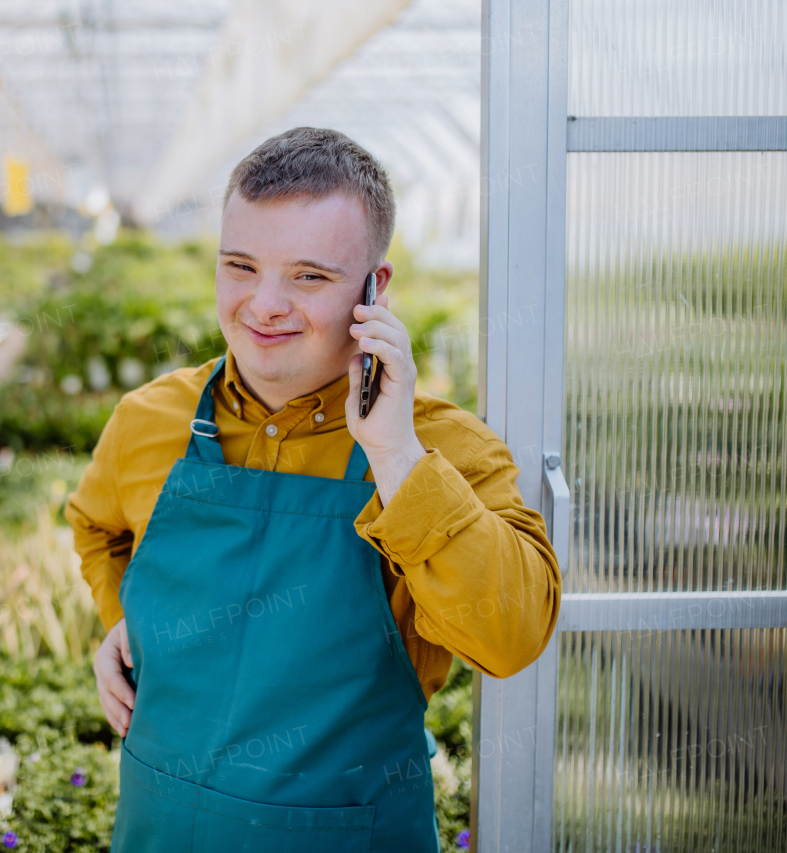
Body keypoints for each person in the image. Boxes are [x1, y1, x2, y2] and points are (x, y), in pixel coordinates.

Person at [64, 126, 561, 852]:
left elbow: (512, 635)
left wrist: (394, 454)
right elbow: (96, 527)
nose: (263, 305)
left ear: (374, 288)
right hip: (160, 826)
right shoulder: (148, 420)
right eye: (240, 266)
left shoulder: (443, 448)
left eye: (309, 276)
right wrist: (119, 616)